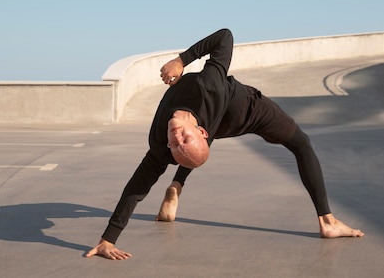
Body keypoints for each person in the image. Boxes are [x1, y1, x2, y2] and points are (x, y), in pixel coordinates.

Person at [87, 28, 364, 261]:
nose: (175, 135)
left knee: (300, 143)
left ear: (201, 131)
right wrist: (107, 240)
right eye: (177, 142)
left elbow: (225, 37)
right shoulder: (167, 143)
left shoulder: (205, 92)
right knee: (298, 145)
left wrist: (182, 59)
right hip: (222, 117)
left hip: (248, 110)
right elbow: (137, 187)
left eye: (179, 140)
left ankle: (178, 184)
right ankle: (327, 223)